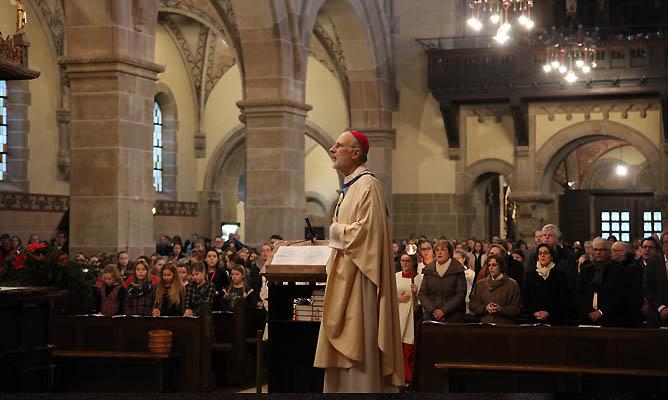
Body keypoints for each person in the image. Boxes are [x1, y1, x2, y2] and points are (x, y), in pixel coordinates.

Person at [314, 130, 403, 393]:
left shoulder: (368, 186)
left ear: (356, 153)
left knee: (359, 336)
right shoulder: (350, 187)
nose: (332, 149)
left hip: (361, 280)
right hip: (344, 275)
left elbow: (367, 233)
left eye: (338, 145)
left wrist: (335, 231)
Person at [575, 237, 626, 327]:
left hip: (610, 318)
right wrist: (588, 312)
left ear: (609, 252)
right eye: (596, 250)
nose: (598, 252)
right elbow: (579, 292)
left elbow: (619, 294)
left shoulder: (617, 270)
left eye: (602, 250)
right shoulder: (586, 269)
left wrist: (601, 312)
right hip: (587, 317)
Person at [417, 240, 467, 323]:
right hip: (431, 316)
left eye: (443, 250)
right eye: (437, 250)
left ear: (450, 253)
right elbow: (422, 294)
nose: (439, 252)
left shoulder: (457, 269)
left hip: (453, 316)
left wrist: (444, 311)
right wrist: (433, 310)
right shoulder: (429, 270)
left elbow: (460, 294)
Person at [522, 244, 569, 325]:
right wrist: (534, 312)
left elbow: (563, 299)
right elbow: (526, 298)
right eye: (540, 253)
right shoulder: (530, 275)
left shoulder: (559, 275)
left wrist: (548, 312)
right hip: (533, 319)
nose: (542, 255)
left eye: (546, 253)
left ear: (551, 256)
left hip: (554, 320)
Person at [469, 254, 521, 325]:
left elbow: (516, 308)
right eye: (489, 265)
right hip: (485, 324)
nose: (491, 268)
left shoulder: (512, 284)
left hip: (506, 325)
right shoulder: (480, 284)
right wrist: (485, 308)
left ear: (501, 266)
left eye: (494, 265)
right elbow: (473, 305)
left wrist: (500, 309)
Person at [395, 252, 422, 385]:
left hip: (412, 317)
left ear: (413, 262)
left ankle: (410, 378)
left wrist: (416, 292)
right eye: (402, 261)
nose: (405, 263)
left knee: (409, 348)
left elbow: (423, 299)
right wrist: (397, 298)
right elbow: (386, 296)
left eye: (408, 261)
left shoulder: (419, 278)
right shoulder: (395, 277)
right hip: (398, 316)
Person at [643, 232, 668, 328]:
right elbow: (647, 288)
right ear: (662, 245)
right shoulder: (652, 265)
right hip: (658, 315)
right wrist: (661, 308)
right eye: (666, 242)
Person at [453, 249, 475, 315]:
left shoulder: (470, 273)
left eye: (458, 258)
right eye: (454, 259)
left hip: (467, 302)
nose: (456, 261)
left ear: (463, 259)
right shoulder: (450, 273)